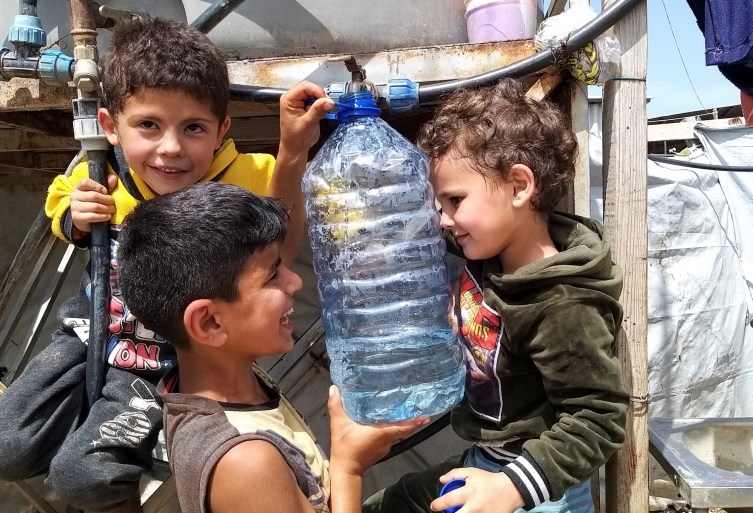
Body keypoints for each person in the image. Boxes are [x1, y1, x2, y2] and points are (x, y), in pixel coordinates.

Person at [0, 16, 333, 513]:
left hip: (156, 362)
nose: (171, 148)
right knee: (10, 445)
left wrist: (291, 152)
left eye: (193, 128)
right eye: (149, 125)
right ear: (111, 127)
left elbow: (280, 232)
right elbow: (60, 203)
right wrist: (76, 215)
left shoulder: (240, 179)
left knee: (83, 477)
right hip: (88, 333)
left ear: (221, 131)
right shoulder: (102, 176)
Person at [363, 78, 629, 513]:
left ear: (519, 187)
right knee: (391, 502)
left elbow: (597, 419)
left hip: (533, 488)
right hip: (488, 460)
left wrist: (511, 489)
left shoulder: (562, 303)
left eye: (454, 200)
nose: (444, 220)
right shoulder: (492, 251)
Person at [116, 181, 427, 513]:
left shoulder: (235, 376)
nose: (295, 282)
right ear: (210, 323)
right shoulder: (245, 462)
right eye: (272, 276)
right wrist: (348, 466)